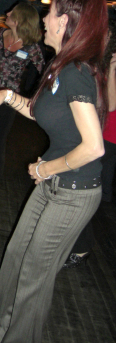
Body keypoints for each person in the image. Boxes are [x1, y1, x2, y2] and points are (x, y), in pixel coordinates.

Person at [0, 0, 108, 342]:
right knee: (16, 255)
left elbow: (93, 147)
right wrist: (6, 96)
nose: (44, 18)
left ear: (64, 23)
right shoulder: (59, 67)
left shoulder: (77, 72)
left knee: (34, 274)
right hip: (54, 185)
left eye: (50, 11)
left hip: (73, 191)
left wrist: (46, 168)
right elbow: (37, 110)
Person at [0, 2, 44, 211]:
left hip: (8, 100)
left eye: (12, 13)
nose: (6, 13)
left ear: (20, 20)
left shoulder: (32, 47)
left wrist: (32, 97)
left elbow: (45, 75)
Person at [63, 19, 116, 269]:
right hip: (100, 133)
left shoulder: (111, 64)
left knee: (83, 187)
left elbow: (111, 104)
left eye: (105, 36)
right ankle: (79, 244)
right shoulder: (97, 64)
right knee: (85, 188)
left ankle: (82, 246)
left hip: (108, 137)